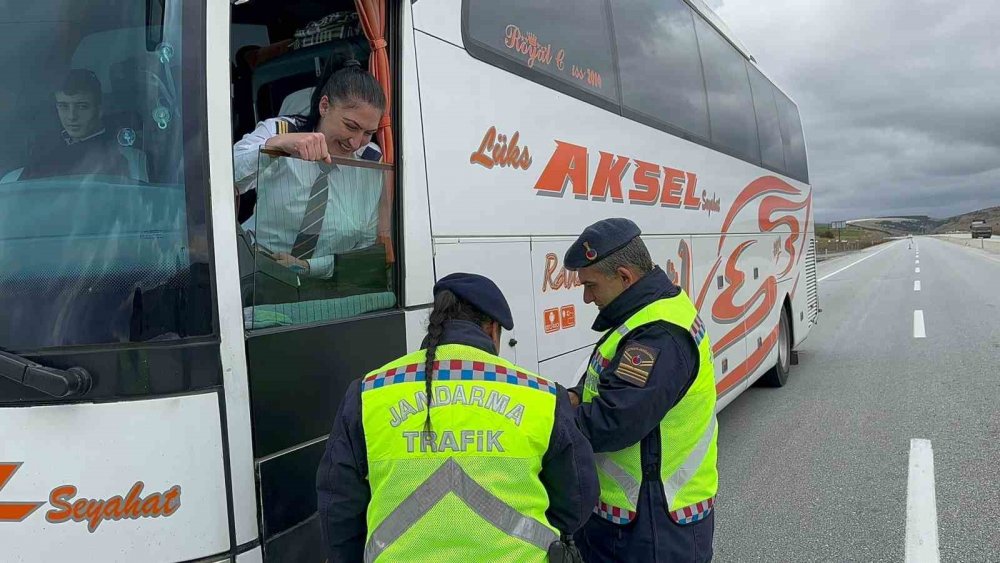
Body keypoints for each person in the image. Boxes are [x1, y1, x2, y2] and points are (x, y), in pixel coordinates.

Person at [316, 273, 599, 562]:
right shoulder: (543, 395)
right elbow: (577, 498)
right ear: (492, 330)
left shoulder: (368, 393)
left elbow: (338, 507)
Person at [564, 218, 718, 562]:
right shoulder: (648, 314)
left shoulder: (658, 334)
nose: (587, 297)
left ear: (624, 277)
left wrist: (543, 416)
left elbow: (615, 420)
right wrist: (572, 397)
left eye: (591, 286)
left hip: (653, 526)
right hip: (641, 518)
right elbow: (612, 385)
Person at [233, 59, 385, 280]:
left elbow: (364, 247)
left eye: (368, 133)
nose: (355, 142)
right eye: (351, 126)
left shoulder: (370, 160)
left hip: (328, 286)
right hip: (258, 273)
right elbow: (223, 175)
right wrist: (275, 146)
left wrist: (307, 267)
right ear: (324, 106)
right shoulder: (281, 129)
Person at [15, 69, 146, 182]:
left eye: (82, 106)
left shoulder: (117, 154)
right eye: (63, 106)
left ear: (100, 109)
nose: (72, 116)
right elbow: (19, 200)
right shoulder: (43, 150)